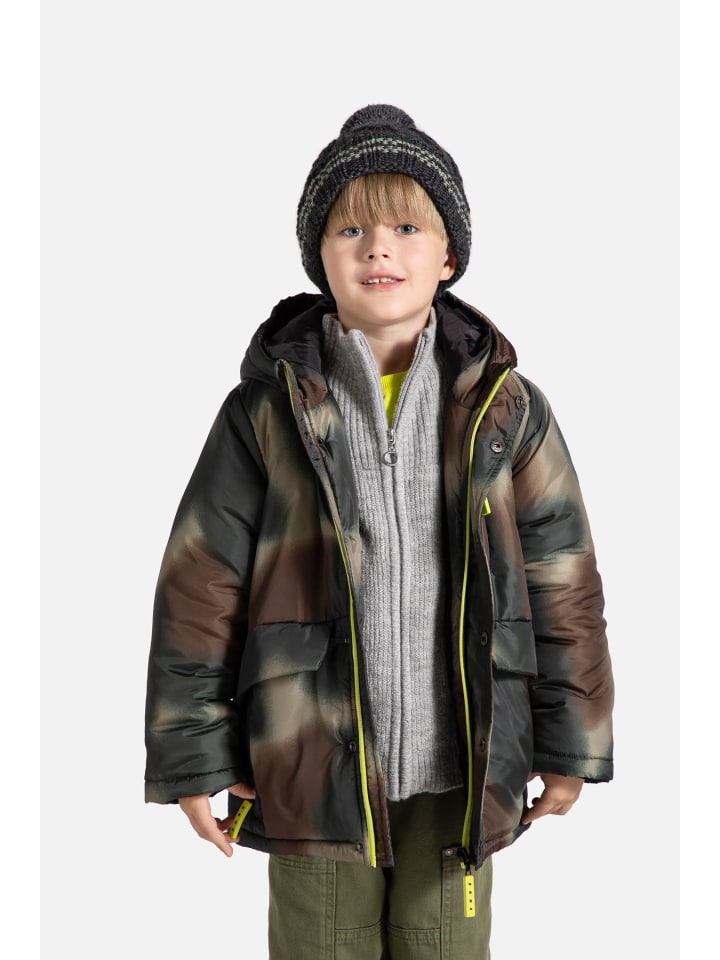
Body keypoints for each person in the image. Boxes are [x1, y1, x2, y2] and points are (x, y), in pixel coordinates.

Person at [144, 104, 614, 959]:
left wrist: (571, 744)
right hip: (307, 762)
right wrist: (194, 753)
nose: (377, 249)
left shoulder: (507, 409)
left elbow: (564, 583)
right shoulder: (266, 412)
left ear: (449, 256)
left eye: (406, 227)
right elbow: (200, 586)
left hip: (463, 766)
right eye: (350, 229)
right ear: (320, 259)